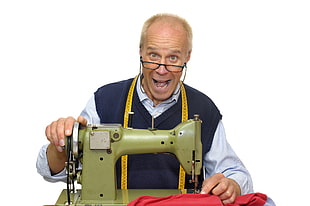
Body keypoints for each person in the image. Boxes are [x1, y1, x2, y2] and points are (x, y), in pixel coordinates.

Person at [37, 13, 254, 204]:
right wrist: (60, 144)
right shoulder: (105, 100)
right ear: (140, 52)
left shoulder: (204, 109)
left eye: (173, 58)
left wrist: (231, 185)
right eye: (153, 56)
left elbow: (236, 173)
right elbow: (52, 170)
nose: (162, 69)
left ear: (188, 56)